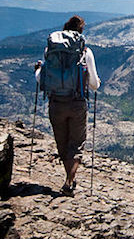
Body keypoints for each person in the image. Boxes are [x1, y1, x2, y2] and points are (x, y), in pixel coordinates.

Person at [35, 15, 100, 196]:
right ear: (80, 31)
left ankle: (69, 178)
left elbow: (41, 79)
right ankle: (70, 181)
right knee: (76, 144)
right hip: (77, 102)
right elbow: (94, 84)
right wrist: (95, 81)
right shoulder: (85, 51)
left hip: (56, 103)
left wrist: (38, 70)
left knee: (62, 144)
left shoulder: (50, 50)